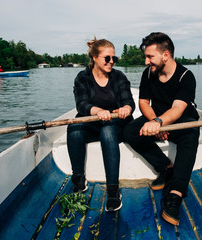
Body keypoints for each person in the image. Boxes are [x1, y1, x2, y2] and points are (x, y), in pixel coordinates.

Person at [123, 32, 200, 225]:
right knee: (130, 131)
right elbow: (143, 102)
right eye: (146, 57)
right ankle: (166, 167)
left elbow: (177, 108)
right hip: (156, 119)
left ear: (166, 55)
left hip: (182, 120)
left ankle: (175, 195)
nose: (147, 61)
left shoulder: (186, 76)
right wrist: (154, 121)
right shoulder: (148, 73)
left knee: (191, 134)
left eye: (150, 57)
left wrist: (159, 123)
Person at [67, 37, 135, 212]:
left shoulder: (119, 76)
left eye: (114, 58)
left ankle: (113, 191)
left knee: (107, 132)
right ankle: (78, 180)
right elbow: (82, 105)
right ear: (95, 58)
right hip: (93, 121)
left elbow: (128, 101)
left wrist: (126, 107)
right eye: (107, 58)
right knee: (74, 128)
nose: (111, 62)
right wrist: (97, 111)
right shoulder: (82, 77)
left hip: (116, 123)